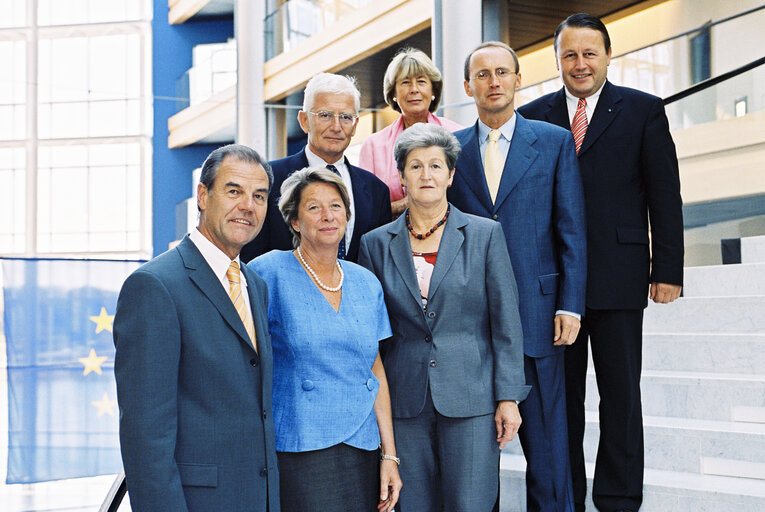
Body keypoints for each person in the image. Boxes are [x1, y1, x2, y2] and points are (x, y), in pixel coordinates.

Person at [518, 13, 684, 512]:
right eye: (570, 54)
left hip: (619, 276)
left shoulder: (643, 111)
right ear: (557, 60)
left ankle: (617, 499)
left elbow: (665, 195)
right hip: (553, 285)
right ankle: (563, 496)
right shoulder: (534, 115)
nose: (580, 63)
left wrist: (668, 270)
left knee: (620, 398)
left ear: (609, 56)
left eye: (590, 53)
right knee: (559, 403)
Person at [358, 123, 530, 511]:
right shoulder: (373, 245)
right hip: (404, 401)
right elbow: (373, 336)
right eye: (415, 166)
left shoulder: (485, 235)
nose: (426, 175)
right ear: (400, 177)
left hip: (471, 398)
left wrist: (508, 398)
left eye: (436, 166)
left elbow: (506, 324)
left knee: (470, 503)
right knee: (414, 505)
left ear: (451, 175)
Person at [448, 42, 587, 512]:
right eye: (482, 74)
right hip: (469, 325)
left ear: (517, 79)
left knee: (548, 453)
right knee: (474, 458)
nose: (493, 82)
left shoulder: (553, 141)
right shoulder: (451, 153)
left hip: (538, 316)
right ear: (468, 86)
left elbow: (571, 228)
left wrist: (570, 302)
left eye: (502, 72)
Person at [113, 144, 279, 511]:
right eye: (234, 191)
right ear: (203, 196)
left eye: (259, 196)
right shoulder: (155, 286)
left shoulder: (255, 285)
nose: (248, 206)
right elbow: (146, 435)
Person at [248, 167, 402, 512]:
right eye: (314, 207)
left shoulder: (366, 282)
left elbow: (375, 370)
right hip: (302, 443)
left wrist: (389, 454)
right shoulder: (268, 271)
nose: (328, 215)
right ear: (295, 221)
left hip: (363, 443)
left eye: (336, 206)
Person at [241, 72, 391, 263]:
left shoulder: (376, 191)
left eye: (345, 117)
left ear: (355, 126)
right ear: (304, 121)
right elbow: (250, 259)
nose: (336, 127)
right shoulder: (268, 179)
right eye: (325, 115)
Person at [358, 47, 462, 217]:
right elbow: (366, 210)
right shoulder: (372, 146)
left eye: (421, 81)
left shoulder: (458, 135)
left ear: (433, 91)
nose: (414, 89)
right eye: (405, 82)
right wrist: (405, 204)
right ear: (393, 93)